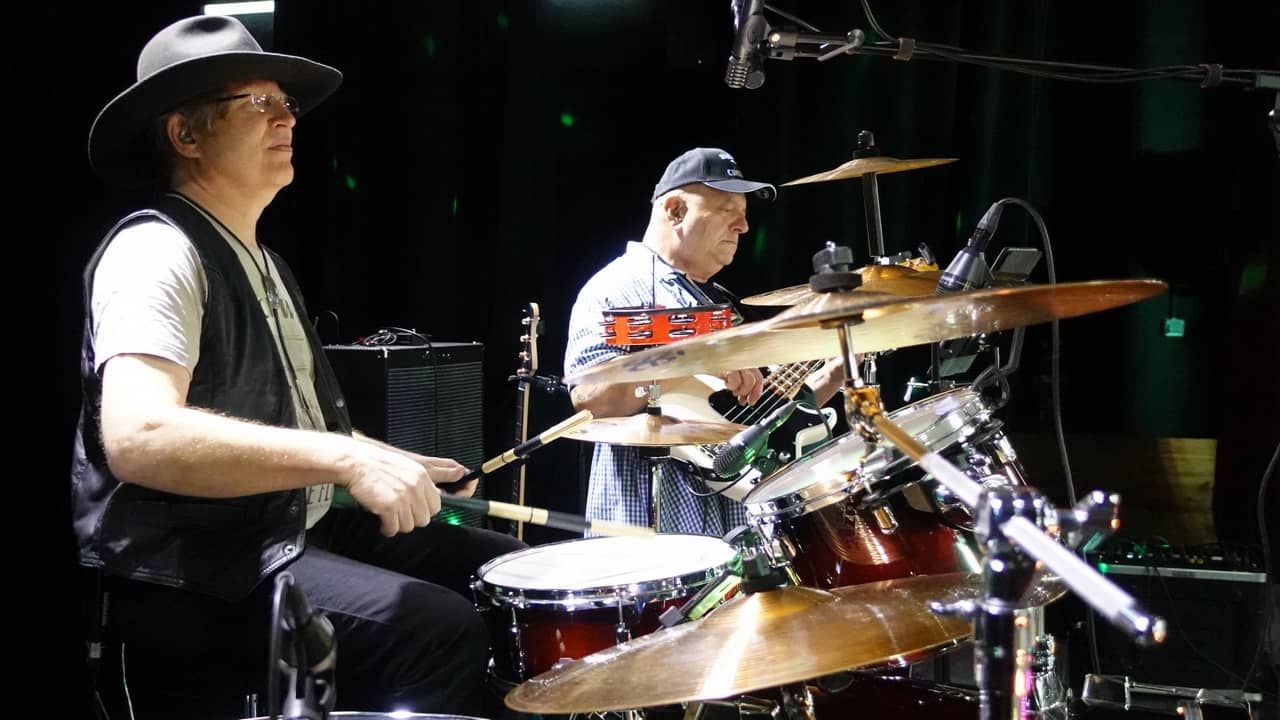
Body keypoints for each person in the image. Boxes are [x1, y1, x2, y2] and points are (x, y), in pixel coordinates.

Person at [71, 15, 525, 719]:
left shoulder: (267, 262)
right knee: (441, 632)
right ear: (185, 136)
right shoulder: (155, 250)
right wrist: (345, 460)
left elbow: (292, 424)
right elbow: (140, 437)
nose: (289, 116)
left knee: (509, 579)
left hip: (286, 525)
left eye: (286, 102)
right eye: (259, 103)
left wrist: (390, 459)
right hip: (198, 564)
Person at [564, 147, 843, 536]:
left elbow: (751, 418)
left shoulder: (716, 301)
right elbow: (590, 399)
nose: (743, 227)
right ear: (675, 210)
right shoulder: (618, 287)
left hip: (729, 523)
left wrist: (835, 373)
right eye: (728, 211)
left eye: (744, 215)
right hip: (651, 528)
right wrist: (696, 357)